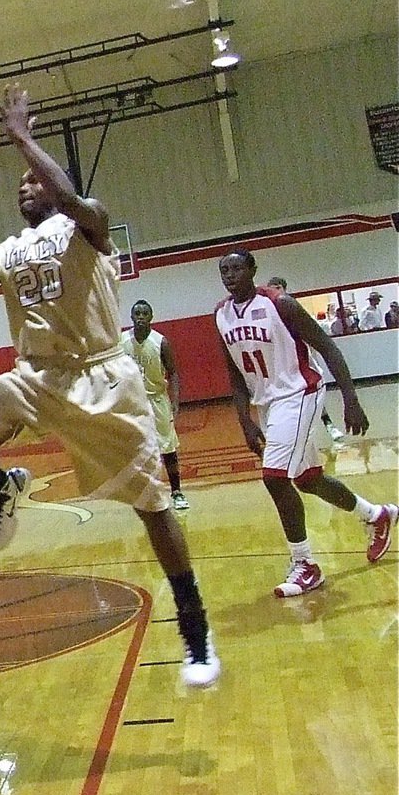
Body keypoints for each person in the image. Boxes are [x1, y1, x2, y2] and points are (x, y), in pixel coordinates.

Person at [0, 83, 220, 688]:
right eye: (19, 183)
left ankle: (195, 628)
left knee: (152, 506)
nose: (25, 184)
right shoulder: (9, 253)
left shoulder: (89, 225)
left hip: (104, 377)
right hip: (35, 375)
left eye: (35, 179)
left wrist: (21, 138)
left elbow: (69, 195)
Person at [216, 250, 396, 594]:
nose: (230, 274)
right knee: (308, 479)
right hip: (269, 404)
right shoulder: (221, 315)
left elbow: (328, 347)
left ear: (253, 270)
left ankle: (305, 564)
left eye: (237, 267)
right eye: (224, 270)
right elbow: (234, 374)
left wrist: (350, 398)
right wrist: (245, 420)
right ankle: (376, 515)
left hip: (300, 393)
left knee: (274, 478)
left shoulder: (280, 304)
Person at [119, 300, 189, 509]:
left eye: (144, 313)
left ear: (151, 317)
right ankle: (146, 493)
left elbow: (173, 373)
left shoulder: (161, 342)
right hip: (133, 402)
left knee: (167, 447)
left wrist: (175, 401)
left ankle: (176, 492)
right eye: (137, 313)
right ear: (131, 317)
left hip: (158, 399)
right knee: (136, 448)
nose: (140, 317)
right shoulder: (122, 341)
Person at [266, 277, 344, 446]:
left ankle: (329, 426)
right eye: (272, 288)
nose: (275, 291)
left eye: (278, 287)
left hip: (301, 361)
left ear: (285, 289)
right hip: (280, 368)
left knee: (312, 398)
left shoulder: (291, 307)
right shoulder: (267, 313)